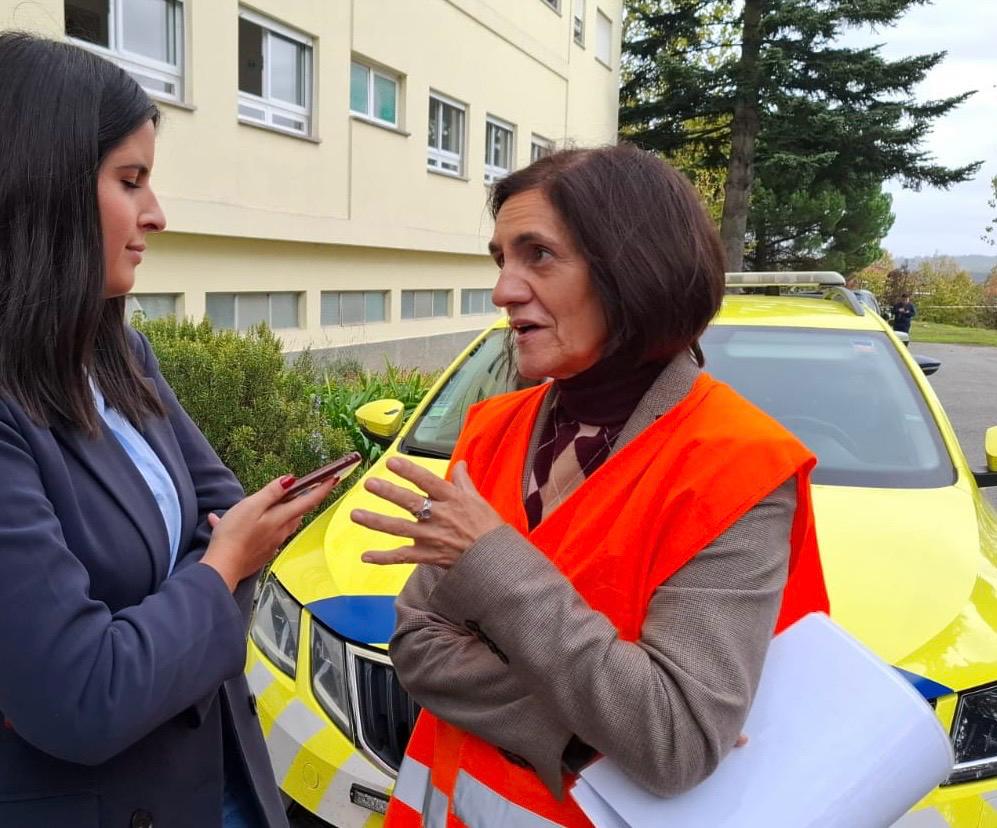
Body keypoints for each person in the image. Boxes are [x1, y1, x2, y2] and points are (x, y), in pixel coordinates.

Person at [350, 144, 831, 826]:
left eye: (537, 255)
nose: (503, 290)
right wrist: (588, 734)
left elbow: (671, 740)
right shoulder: (492, 428)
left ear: (630, 270)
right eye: (500, 259)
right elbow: (419, 642)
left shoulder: (734, 464)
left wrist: (491, 564)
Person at [0, 33, 339, 827]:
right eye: (130, 180)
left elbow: (227, 504)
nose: (156, 212)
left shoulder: (120, 351)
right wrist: (217, 569)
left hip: (218, 773)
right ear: (38, 185)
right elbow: (86, 697)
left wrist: (145, 627)